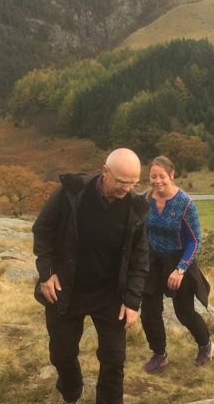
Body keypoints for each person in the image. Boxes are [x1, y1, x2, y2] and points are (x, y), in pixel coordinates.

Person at [32, 148, 149, 404]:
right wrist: (46, 272)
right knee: (61, 354)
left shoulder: (135, 208)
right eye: (121, 182)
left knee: (114, 360)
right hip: (66, 289)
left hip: (110, 295)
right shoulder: (72, 193)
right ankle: (72, 389)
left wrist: (132, 301)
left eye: (133, 183)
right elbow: (42, 230)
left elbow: (140, 260)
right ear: (105, 172)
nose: (127, 189)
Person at [140, 156, 213, 373]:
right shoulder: (145, 200)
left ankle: (205, 344)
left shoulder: (185, 203)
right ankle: (159, 354)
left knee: (184, 312)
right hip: (153, 261)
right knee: (149, 312)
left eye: (162, 176)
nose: (157, 180)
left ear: (172, 175)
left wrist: (180, 269)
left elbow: (195, 240)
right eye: (153, 176)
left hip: (179, 259)